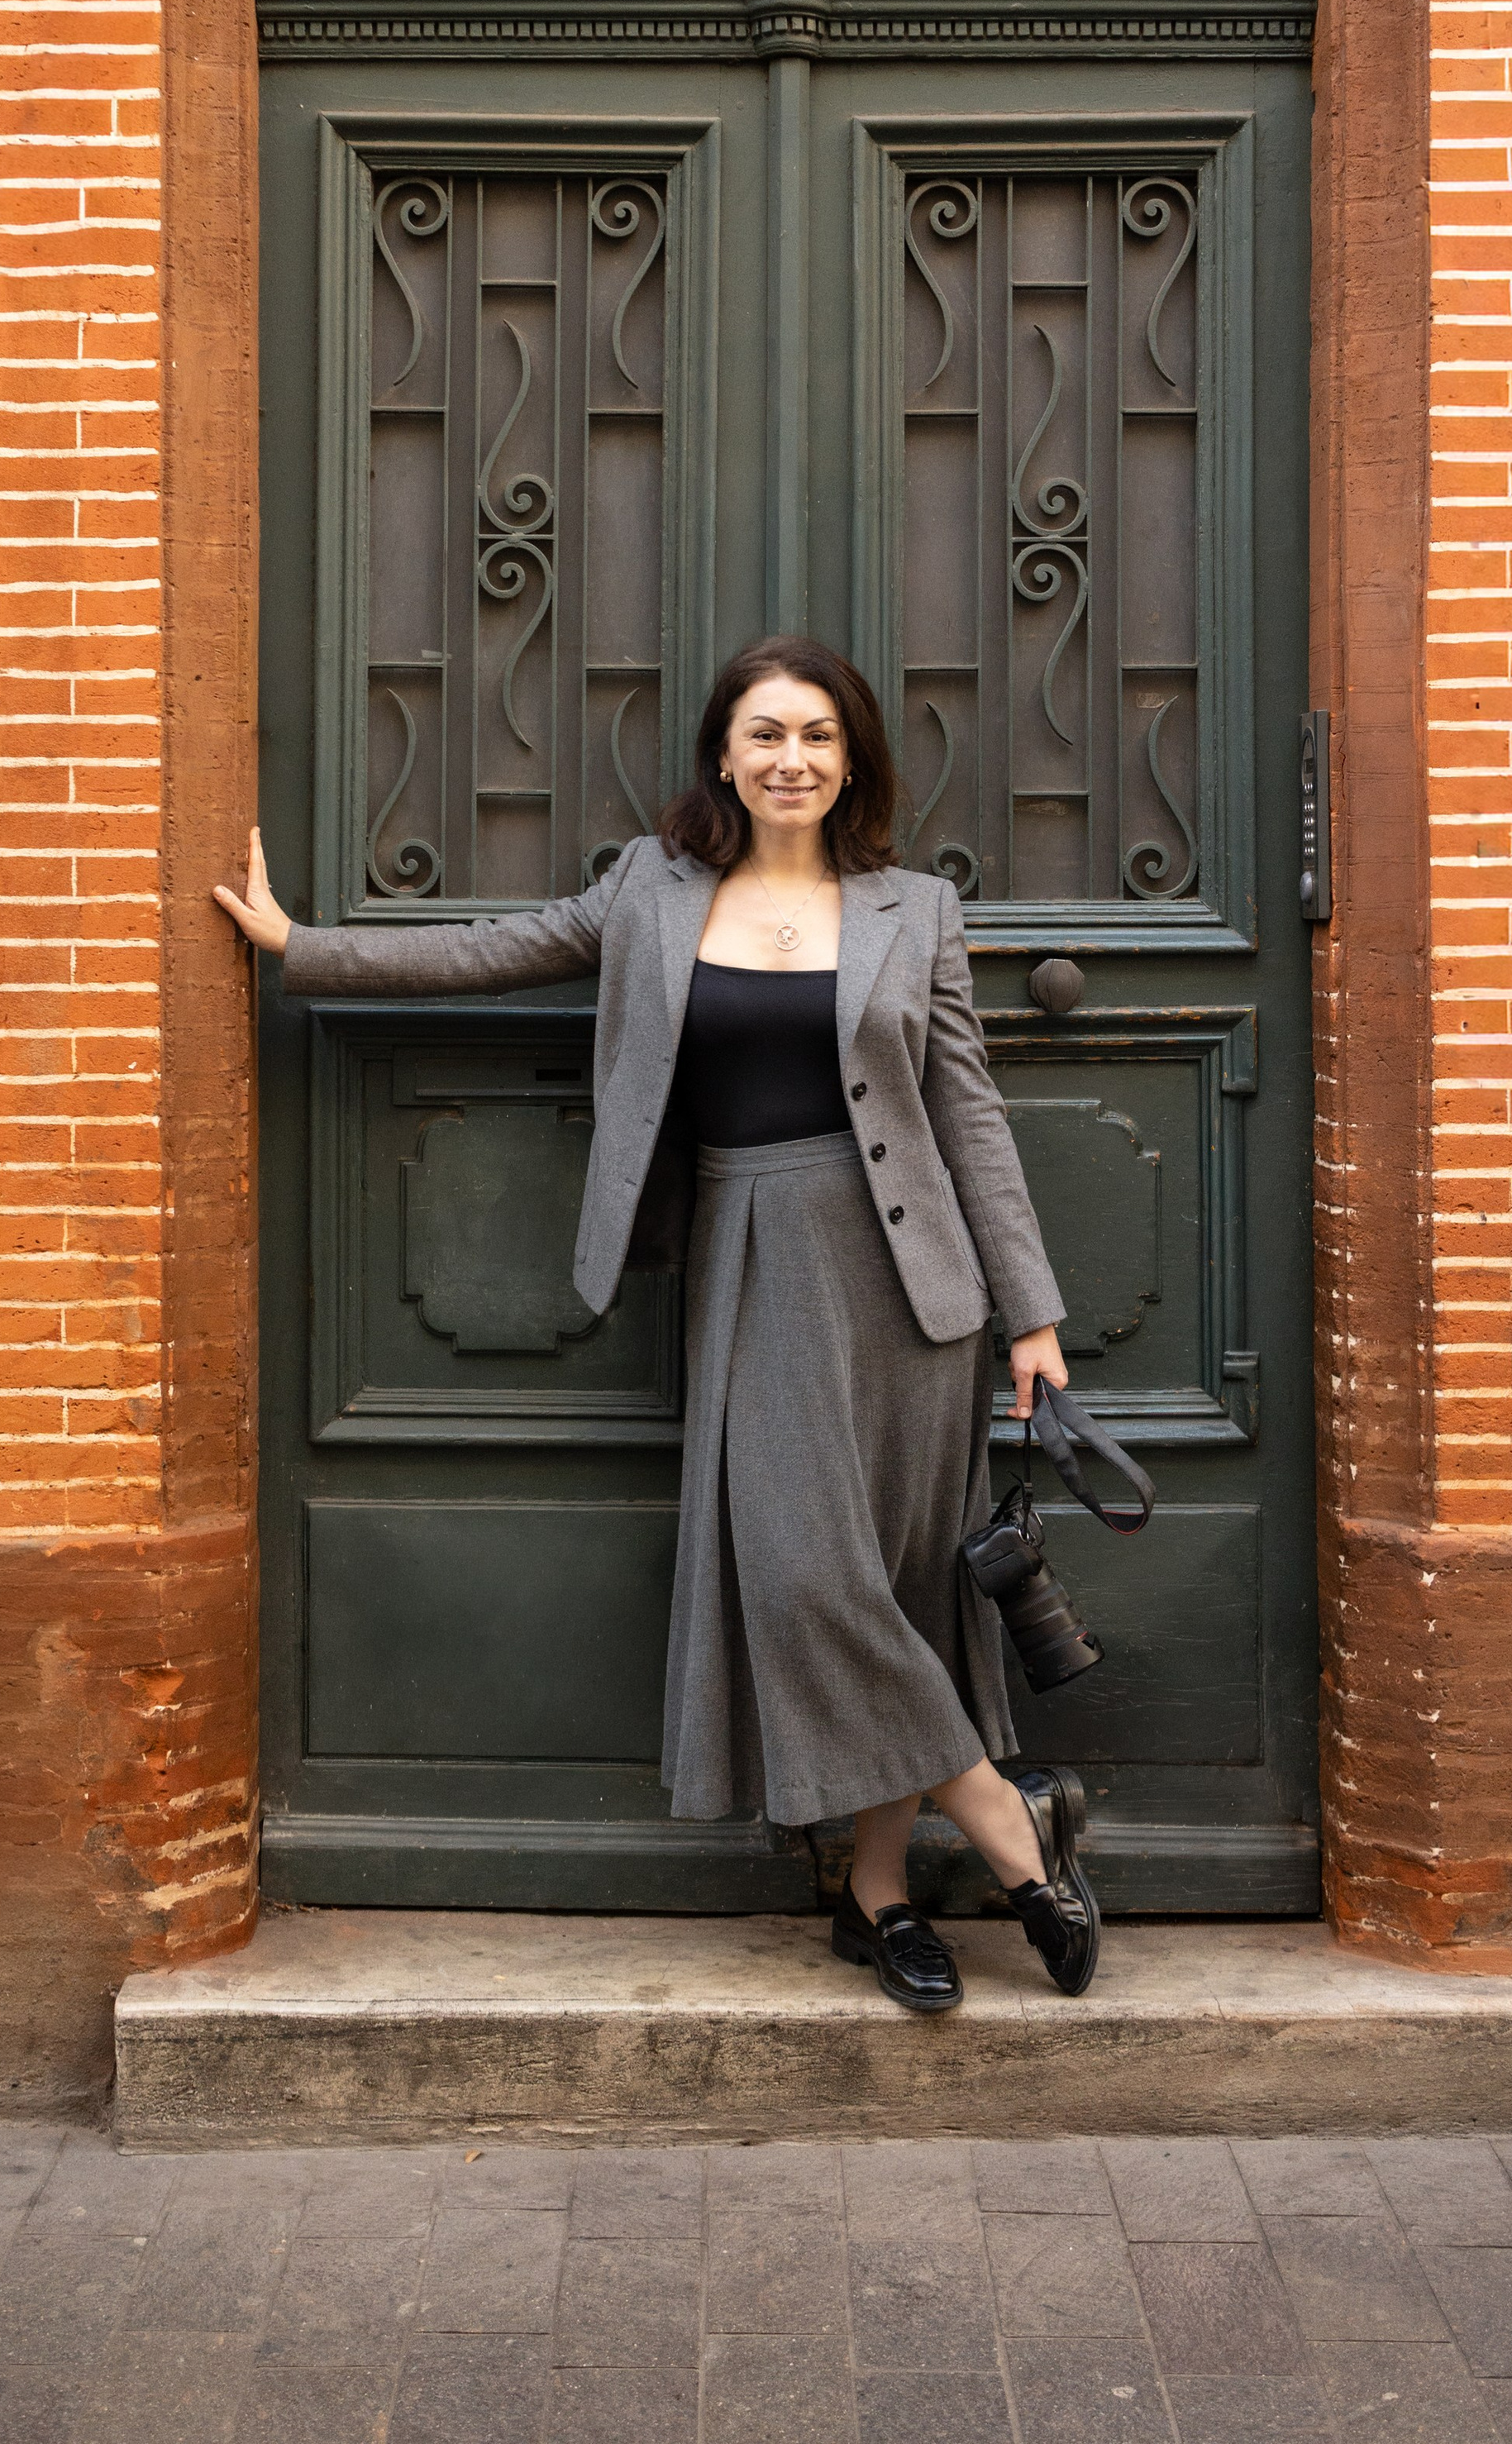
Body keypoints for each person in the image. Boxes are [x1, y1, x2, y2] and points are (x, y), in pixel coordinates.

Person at [214, 637, 1099, 2012]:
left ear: (851, 756)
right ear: (724, 756)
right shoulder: (652, 889)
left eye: (815, 734)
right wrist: (300, 946)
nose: (789, 758)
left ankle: (877, 1900)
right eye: (763, 734)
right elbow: (495, 950)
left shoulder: (915, 910)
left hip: (917, 1289)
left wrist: (1034, 1313)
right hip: (751, 1253)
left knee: (903, 1584)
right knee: (814, 1579)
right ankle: (1006, 1823)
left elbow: (967, 1115)